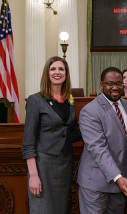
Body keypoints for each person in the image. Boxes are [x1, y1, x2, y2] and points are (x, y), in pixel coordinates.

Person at [21, 56, 82, 214]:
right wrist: (33, 175)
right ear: (47, 73)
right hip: (43, 166)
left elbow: (72, 133)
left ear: (66, 74)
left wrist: (97, 128)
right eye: (53, 69)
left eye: (61, 69)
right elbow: (28, 141)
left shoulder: (70, 100)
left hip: (64, 166)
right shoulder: (36, 100)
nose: (57, 72)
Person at [77, 67, 127, 214]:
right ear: (101, 85)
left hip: (122, 184)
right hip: (96, 185)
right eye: (110, 83)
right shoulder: (89, 111)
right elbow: (98, 148)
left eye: (119, 83)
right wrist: (118, 177)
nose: (115, 87)